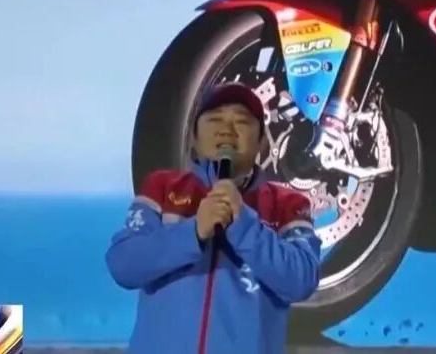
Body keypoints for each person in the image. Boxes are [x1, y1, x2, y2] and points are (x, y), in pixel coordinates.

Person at [105, 82, 321, 354]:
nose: (227, 130)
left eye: (241, 121)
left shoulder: (287, 204)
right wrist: (193, 232)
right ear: (194, 138)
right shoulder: (162, 187)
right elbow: (123, 264)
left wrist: (244, 226)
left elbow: (302, 280)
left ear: (262, 142)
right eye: (215, 119)